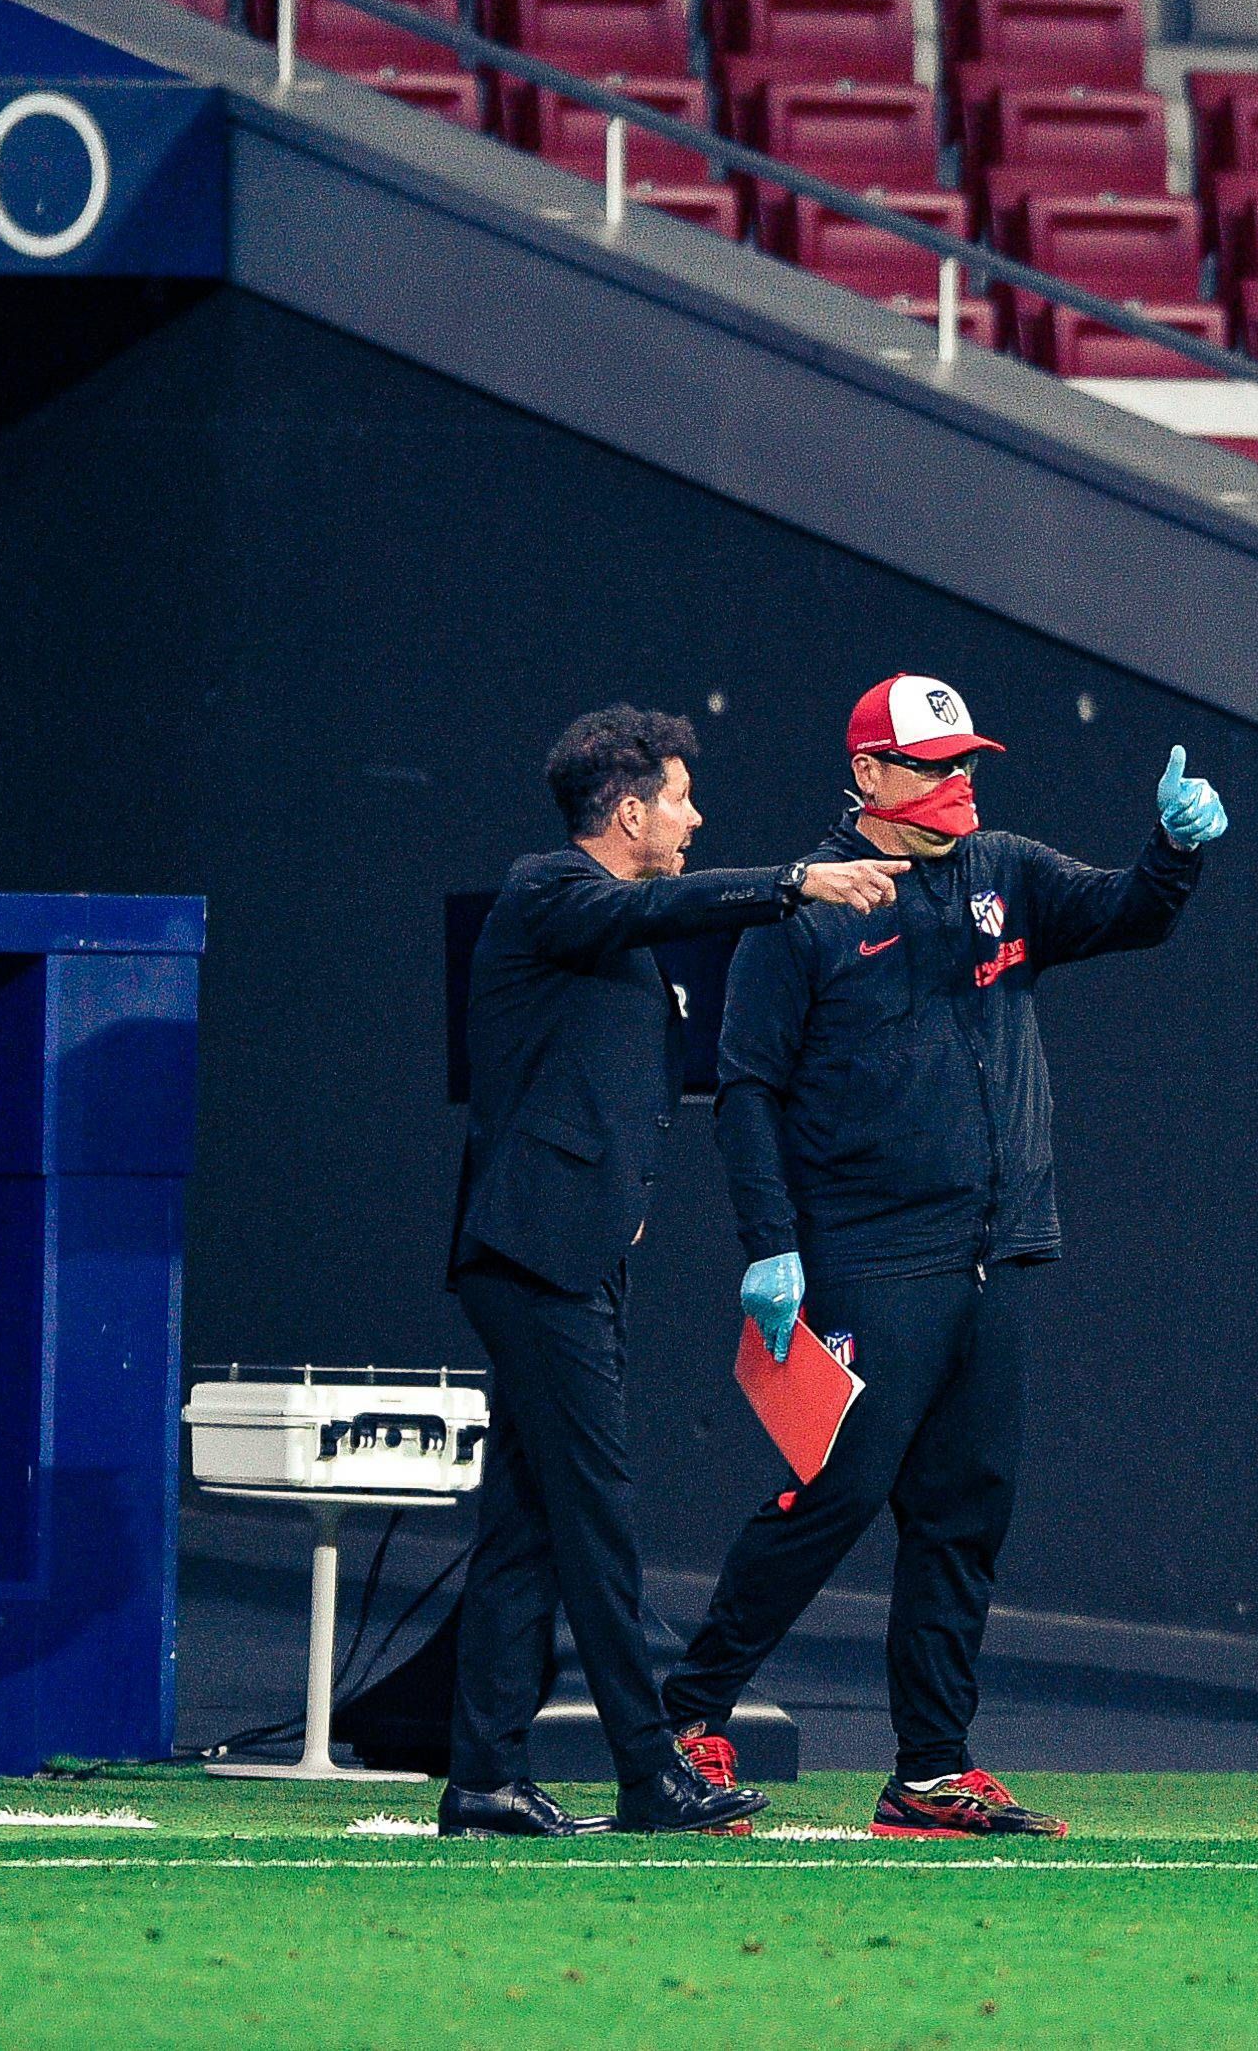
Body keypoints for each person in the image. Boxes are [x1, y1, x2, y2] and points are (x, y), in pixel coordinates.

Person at [658, 674, 1226, 1839]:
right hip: (871, 1253)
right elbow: (747, 1093)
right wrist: (771, 1249)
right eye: (933, 764)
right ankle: (686, 1716)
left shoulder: (1003, 869)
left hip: (1000, 1250)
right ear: (869, 777)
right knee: (839, 1491)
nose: (960, 780)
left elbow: (1129, 913)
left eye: (967, 760)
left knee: (965, 1512)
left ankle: (929, 1770)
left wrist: (1172, 850)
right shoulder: (804, 911)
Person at [440, 704, 909, 1839]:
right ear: (631, 809)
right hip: (536, 1257)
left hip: (566, 1255)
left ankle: (485, 1779)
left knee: (531, 1522)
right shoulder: (551, 888)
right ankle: (651, 1771)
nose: (695, 818)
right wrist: (801, 882)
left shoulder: (604, 929)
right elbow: (661, 904)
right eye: (683, 798)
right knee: (596, 1513)